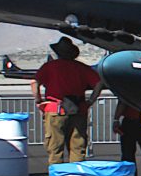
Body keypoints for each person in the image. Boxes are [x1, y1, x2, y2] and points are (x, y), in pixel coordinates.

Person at [33, 37, 101, 165]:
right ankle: (76, 174)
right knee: (78, 147)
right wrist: (90, 101)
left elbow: (34, 82)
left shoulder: (49, 66)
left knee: (55, 149)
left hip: (55, 110)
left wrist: (39, 101)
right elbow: (98, 83)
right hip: (78, 109)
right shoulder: (81, 67)